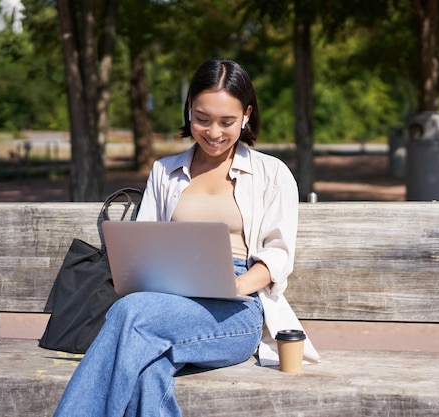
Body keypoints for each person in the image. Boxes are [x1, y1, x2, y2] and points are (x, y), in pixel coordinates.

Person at [52, 59, 319, 417]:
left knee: (130, 314)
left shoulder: (272, 173)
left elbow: (278, 256)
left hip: (236, 308)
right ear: (189, 108)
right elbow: (144, 245)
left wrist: (234, 285)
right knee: (147, 369)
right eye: (202, 118)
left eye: (226, 121)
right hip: (166, 299)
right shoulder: (165, 171)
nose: (213, 132)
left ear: (246, 115)